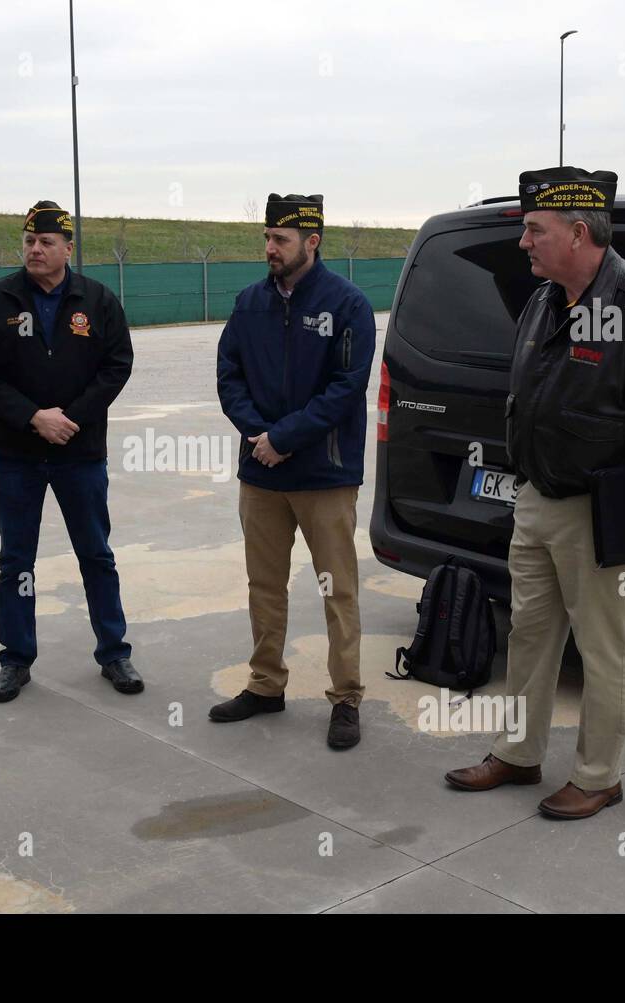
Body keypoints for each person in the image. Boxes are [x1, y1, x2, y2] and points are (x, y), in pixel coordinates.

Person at [445, 167, 625, 818]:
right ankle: (517, 752)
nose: (523, 242)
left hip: (604, 514)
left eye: (535, 230)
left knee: (607, 649)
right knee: (530, 637)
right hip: (537, 501)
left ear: (578, 231)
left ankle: (599, 774)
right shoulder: (545, 300)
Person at [211, 193, 376, 749]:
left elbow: (347, 387)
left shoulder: (347, 304)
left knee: (337, 589)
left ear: (313, 241)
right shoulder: (249, 303)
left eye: (280, 239)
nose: (270, 248)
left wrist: (283, 438)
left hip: (324, 475)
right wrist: (259, 436)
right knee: (265, 585)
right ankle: (266, 683)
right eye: (266, 237)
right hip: (262, 474)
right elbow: (228, 374)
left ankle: (346, 696)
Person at [0, 200, 141, 702]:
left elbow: (117, 365)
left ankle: (114, 651)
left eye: (46, 242)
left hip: (79, 453)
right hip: (18, 455)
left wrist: (72, 418)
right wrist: (32, 417)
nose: (35, 250)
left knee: (96, 555)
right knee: (16, 560)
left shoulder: (98, 301)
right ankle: (15, 659)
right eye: (29, 242)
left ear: (68, 248)